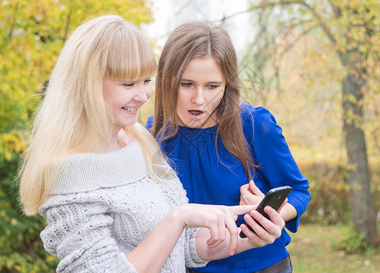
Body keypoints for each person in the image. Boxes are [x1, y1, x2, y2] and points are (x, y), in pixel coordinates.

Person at [17, 15, 287, 273]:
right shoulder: (70, 173)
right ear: (87, 86)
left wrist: (251, 237)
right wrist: (178, 218)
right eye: (128, 83)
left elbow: (184, 246)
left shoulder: (137, 140)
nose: (144, 95)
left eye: (146, 81)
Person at [147, 21, 311, 273]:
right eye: (186, 84)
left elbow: (299, 190)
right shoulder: (152, 136)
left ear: (227, 85)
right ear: (167, 80)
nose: (199, 99)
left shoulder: (255, 125)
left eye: (212, 86)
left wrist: (274, 214)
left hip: (263, 267)